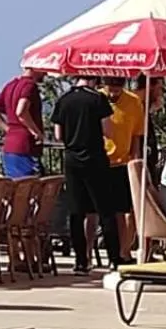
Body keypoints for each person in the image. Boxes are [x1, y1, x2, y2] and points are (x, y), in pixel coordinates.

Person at [51, 77, 120, 274]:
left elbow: (58, 135)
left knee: (76, 211)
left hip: (72, 159)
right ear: (94, 80)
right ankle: (114, 258)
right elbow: (108, 130)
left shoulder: (63, 100)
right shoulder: (98, 99)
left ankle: (81, 260)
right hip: (95, 158)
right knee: (105, 209)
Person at [101, 78, 144, 252]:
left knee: (125, 210)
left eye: (117, 90)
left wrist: (136, 161)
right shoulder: (98, 98)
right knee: (100, 212)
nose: (113, 94)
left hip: (123, 162)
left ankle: (124, 251)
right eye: (110, 89)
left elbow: (137, 135)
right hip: (100, 161)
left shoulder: (134, 102)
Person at [0, 67, 45, 178]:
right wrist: (36, 132)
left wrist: (9, 129)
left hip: (10, 145)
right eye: (43, 70)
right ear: (35, 68)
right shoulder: (30, 86)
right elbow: (21, 111)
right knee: (30, 187)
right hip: (25, 145)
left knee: (15, 187)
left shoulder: (10, 85)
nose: (46, 73)